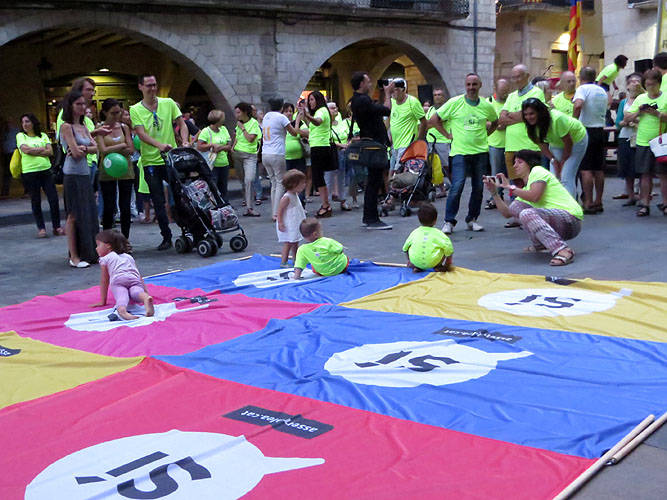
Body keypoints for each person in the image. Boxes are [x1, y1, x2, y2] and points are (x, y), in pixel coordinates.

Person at [483, 149, 582, 266]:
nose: (515, 166)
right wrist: (494, 192)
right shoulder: (526, 188)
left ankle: (563, 250)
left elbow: (534, 196)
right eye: (514, 163)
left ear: (529, 164)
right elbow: (507, 213)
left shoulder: (537, 170)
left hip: (571, 219)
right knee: (516, 206)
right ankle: (542, 244)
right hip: (559, 222)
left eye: (519, 162)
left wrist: (510, 187)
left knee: (527, 214)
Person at [429, 72, 498, 234]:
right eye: (468, 84)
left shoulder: (486, 106)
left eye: (474, 84)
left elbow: (495, 121)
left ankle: (472, 219)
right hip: (459, 152)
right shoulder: (454, 102)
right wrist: (447, 135)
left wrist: (486, 135)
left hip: (480, 152)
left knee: (478, 187)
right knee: (457, 186)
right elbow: (434, 119)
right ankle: (449, 221)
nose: (471, 87)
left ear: (480, 85)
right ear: (465, 86)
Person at [130, 74, 189, 250]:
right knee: (158, 200)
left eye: (154, 85)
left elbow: (182, 124)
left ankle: (188, 228)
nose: (153, 89)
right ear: (140, 87)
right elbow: (141, 134)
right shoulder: (135, 109)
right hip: (151, 161)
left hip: (171, 158)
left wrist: (185, 142)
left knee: (181, 194)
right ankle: (166, 235)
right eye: (148, 85)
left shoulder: (168, 103)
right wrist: (159, 145)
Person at [60, 91, 99, 268]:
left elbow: (95, 148)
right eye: (78, 104)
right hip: (72, 174)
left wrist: (83, 148)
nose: (82, 107)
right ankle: (74, 256)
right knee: (74, 214)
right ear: (70, 106)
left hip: (84, 173)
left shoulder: (83, 126)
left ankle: (89, 252)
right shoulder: (66, 126)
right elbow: (74, 153)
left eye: (84, 104)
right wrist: (84, 149)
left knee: (87, 212)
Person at [350, 72, 394, 230]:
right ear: (361, 84)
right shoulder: (362, 101)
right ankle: (371, 218)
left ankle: (369, 216)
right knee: (374, 181)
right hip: (374, 145)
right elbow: (386, 110)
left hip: (371, 143)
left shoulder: (357, 100)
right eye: (368, 81)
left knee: (373, 181)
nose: (370, 84)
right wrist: (387, 94)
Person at [522, 98, 589, 198]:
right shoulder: (531, 125)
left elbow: (568, 143)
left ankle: (570, 206)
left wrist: (562, 162)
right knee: (554, 177)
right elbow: (541, 145)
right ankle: (557, 203)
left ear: (539, 112)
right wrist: (554, 161)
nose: (528, 117)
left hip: (576, 140)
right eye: (525, 114)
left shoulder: (557, 118)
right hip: (556, 143)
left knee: (565, 176)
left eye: (531, 114)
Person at [623, 69, 667, 217]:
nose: (650, 88)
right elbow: (627, 118)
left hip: (661, 142)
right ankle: (644, 204)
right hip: (643, 141)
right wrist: (638, 112)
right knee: (645, 174)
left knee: (663, 175)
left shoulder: (665, 97)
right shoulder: (641, 98)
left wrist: (657, 114)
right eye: (648, 85)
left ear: (659, 84)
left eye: (653, 84)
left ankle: (666, 203)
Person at [16, 113, 63, 238]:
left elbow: (50, 151)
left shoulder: (43, 135)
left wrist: (34, 151)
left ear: (33, 122)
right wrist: (42, 149)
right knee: (36, 200)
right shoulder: (20, 136)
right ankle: (41, 228)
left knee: (53, 198)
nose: (25, 124)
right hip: (29, 172)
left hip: (46, 170)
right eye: (23, 122)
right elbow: (25, 150)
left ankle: (56, 226)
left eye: (27, 121)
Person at [91, 229, 154, 321]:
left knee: (121, 295)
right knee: (136, 291)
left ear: (108, 245)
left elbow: (105, 280)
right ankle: (145, 299)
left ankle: (122, 310)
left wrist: (103, 301)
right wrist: (146, 292)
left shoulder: (105, 259)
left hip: (119, 280)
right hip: (134, 278)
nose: (96, 248)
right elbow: (139, 276)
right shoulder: (128, 257)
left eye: (98, 245)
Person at [499, 64, 546, 185]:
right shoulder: (511, 96)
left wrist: (514, 115)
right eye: (513, 77)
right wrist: (521, 116)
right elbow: (501, 120)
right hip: (511, 147)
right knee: (515, 186)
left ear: (527, 76)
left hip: (530, 146)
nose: (515, 80)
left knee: (531, 184)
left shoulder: (537, 93)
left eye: (518, 77)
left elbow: (532, 114)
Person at [96, 99, 135, 239]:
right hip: (107, 169)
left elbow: (131, 149)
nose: (116, 116)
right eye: (113, 113)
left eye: (118, 112)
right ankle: (107, 239)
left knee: (125, 206)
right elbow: (103, 150)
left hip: (125, 168)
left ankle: (125, 238)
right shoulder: (100, 128)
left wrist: (115, 148)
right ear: (105, 113)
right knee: (109, 206)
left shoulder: (124, 127)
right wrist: (121, 146)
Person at [573, 66, 609, 214]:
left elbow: (578, 105)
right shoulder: (602, 91)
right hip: (600, 130)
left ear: (580, 77)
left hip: (585, 130)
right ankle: (598, 201)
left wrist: (573, 121)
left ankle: (587, 202)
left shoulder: (582, 89)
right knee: (598, 169)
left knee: (585, 168)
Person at [261, 97, 301, 219]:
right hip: (277, 153)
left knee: (273, 183)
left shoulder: (266, 116)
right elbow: (294, 132)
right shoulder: (281, 117)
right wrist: (297, 120)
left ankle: (274, 210)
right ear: (281, 107)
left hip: (265, 152)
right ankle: (277, 213)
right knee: (280, 183)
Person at [299, 91, 335, 218]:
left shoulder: (322, 111)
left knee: (318, 177)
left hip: (320, 147)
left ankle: (326, 205)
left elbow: (318, 122)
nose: (310, 102)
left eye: (312, 100)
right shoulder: (319, 112)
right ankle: (326, 204)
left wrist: (307, 115)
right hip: (316, 146)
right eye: (309, 100)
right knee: (318, 177)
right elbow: (313, 127)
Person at [614, 73, 644, 205]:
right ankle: (631, 195)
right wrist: (626, 122)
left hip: (641, 137)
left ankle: (643, 196)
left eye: (638, 81)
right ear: (627, 86)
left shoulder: (644, 100)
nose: (635, 84)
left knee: (642, 169)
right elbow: (618, 122)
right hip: (626, 137)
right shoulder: (624, 103)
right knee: (627, 168)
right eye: (632, 81)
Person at [388, 79, 426, 176]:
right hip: (395, 144)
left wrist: (419, 140)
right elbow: (390, 120)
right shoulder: (392, 102)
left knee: (398, 172)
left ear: (402, 89)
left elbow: (423, 121)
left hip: (407, 144)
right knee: (391, 170)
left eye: (394, 90)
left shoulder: (412, 102)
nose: (392, 93)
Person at [403, 203, 453, 273]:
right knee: (445, 248)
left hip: (416, 262)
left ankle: (417, 266)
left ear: (419, 219)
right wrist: (448, 261)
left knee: (409, 247)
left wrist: (410, 260)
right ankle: (438, 266)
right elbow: (449, 249)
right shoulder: (439, 234)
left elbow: (405, 248)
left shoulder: (414, 232)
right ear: (435, 220)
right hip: (433, 262)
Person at [231, 101, 261, 217]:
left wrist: (243, 128)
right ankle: (247, 203)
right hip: (238, 154)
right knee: (243, 181)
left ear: (245, 112)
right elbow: (237, 137)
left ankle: (250, 207)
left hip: (250, 156)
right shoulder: (239, 124)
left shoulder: (253, 123)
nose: (237, 115)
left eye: (238, 112)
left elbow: (250, 138)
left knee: (249, 180)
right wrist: (233, 148)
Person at [197, 109, 232, 200]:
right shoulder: (206, 131)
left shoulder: (224, 129)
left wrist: (220, 148)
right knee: (213, 188)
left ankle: (225, 205)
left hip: (224, 163)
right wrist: (211, 145)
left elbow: (229, 145)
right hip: (212, 164)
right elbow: (199, 147)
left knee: (223, 188)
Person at [486, 79, 510, 208]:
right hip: (495, 143)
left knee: (512, 173)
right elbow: (483, 121)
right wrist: (495, 125)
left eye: (506, 92)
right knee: (496, 173)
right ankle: (495, 197)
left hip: (511, 142)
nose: (504, 95)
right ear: (495, 89)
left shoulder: (510, 101)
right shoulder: (488, 102)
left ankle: (514, 197)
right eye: (502, 93)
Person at [276, 170, 307, 268]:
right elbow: (280, 210)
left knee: (295, 242)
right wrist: (280, 222)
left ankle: (296, 259)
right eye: (302, 183)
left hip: (295, 222)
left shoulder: (295, 195)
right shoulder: (287, 197)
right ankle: (284, 261)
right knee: (288, 242)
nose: (304, 185)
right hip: (289, 224)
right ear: (294, 184)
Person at [425, 88, 452, 198]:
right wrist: (432, 122)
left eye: (439, 95)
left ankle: (455, 185)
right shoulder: (431, 109)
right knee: (434, 166)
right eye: (435, 95)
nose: (437, 97)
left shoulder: (446, 109)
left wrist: (432, 122)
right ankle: (442, 189)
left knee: (446, 166)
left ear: (444, 97)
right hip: (431, 140)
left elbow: (435, 122)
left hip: (442, 141)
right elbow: (427, 124)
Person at [327, 101, 352, 211]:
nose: (335, 109)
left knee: (342, 177)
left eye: (336, 107)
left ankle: (343, 200)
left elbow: (348, 134)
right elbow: (326, 139)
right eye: (332, 108)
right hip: (331, 152)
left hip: (343, 152)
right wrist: (340, 145)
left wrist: (348, 143)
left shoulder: (341, 122)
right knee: (329, 177)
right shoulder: (325, 125)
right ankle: (327, 203)